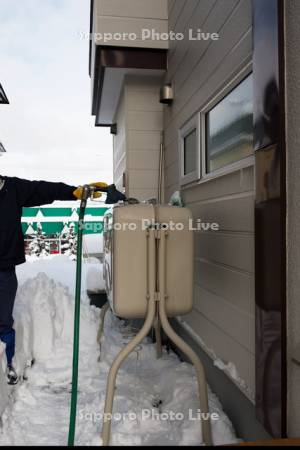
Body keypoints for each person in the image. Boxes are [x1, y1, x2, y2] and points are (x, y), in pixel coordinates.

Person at [0, 175, 106, 385]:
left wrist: (74, 191)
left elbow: (44, 189)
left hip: (4, 269)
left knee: (3, 321)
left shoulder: (12, 189)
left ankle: (8, 363)